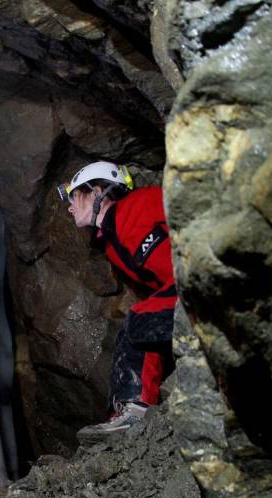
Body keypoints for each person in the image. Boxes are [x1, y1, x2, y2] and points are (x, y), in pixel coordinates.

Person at [56, 161, 177, 439]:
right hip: (182, 297)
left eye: (75, 196)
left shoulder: (143, 202)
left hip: (202, 277)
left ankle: (136, 411)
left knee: (140, 318)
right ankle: (124, 412)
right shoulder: (114, 249)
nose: (70, 206)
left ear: (97, 192)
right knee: (132, 327)